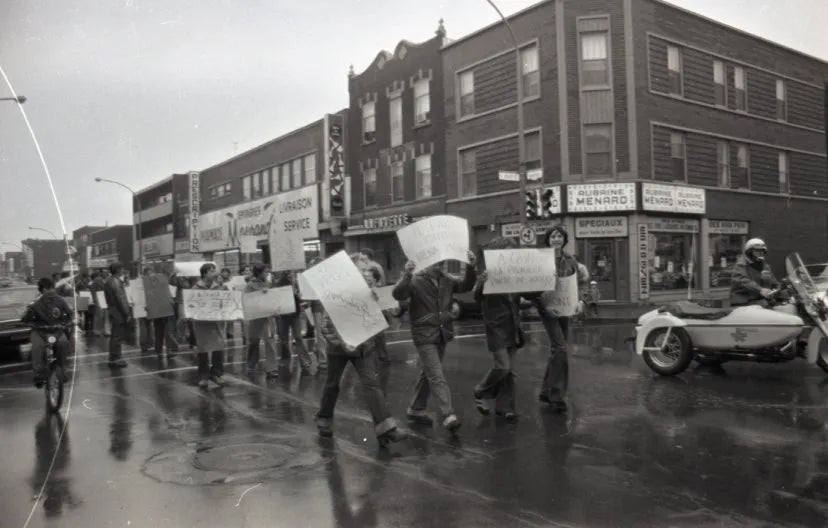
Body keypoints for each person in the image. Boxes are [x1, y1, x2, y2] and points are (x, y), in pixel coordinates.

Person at [315, 262, 407, 446]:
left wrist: (379, 301)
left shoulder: (371, 294)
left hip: (364, 348)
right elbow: (325, 327)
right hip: (338, 350)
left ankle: (386, 429)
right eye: (360, 272)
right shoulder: (335, 295)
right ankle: (323, 418)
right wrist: (342, 343)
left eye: (365, 273)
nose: (364, 275)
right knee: (333, 384)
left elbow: (394, 311)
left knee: (372, 385)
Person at [392, 250, 477, 433]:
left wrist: (470, 266)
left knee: (428, 372)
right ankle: (448, 414)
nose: (440, 266)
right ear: (427, 263)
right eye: (437, 263)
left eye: (442, 263)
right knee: (436, 374)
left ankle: (415, 408)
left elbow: (466, 286)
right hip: (424, 333)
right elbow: (398, 294)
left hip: (442, 331)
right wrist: (407, 273)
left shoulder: (446, 279)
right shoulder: (415, 279)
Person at [526, 226, 587, 413]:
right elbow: (531, 288)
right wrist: (544, 306)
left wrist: (581, 301)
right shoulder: (540, 259)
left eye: (560, 236)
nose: (556, 239)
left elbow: (580, 283)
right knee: (560, 348)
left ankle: (546, 391)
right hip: (548, 309)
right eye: (553, 236)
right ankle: (556, 395)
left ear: (564, 239)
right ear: (548, 239)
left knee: (557, 350)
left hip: (565, 308)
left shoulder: (571, 261)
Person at [471, 237, 522, 422]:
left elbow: (528, 293)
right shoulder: (488, 273)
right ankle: (481, 390)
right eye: (505, 251)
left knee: (511, 371)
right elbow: (476, 296)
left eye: (512, 252)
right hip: (496, 326)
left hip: (513, 325)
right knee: (503, 366)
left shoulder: (516, 273)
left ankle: (505, 407)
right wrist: (482, 282)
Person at [21, 278, 73, 387]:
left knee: (63, 344)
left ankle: (62, 369)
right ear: (42, 290)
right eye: (48, 289)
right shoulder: (35, 303)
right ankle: (38, 374)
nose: (51, 291)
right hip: (39, 331)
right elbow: (25, 319)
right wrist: (29, 313)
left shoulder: (61, 301)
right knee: (37, 347)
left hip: (57, 331)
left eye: (52, 288)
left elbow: (70, 315)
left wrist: (66, 323)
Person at [191, 263, 227, 388]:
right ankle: (203, 376)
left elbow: (225, 303)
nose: (215, 273)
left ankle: (216, 374)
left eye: (214, 270)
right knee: (203, 349)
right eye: (212, 271)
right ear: (205, 273)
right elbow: (192, 305)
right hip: (201, 323)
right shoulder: (195, 288)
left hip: (216, 322)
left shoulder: (219, 288)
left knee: (218, 348)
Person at [273, 270, 314, 375]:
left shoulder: (297, 283)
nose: (292, 275)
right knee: (284, 339)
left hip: (295, 314)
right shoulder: (279, 284)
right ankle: (285, 359)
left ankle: (304, 360)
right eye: (290, 273)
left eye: (293, 273)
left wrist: (298, 294)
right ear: (285, 273)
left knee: (298, 337)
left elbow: (302, 298)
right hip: (284, 315)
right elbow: (276, 298)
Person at [245, 263, 278, 375]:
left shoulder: (269, 283)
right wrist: (260, 294)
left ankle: (272, 368)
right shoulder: (250, 285)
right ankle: (251, 363)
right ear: (259, 273)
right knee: (254, 341)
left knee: (270, 341)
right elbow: (247, 301)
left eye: (268, 271)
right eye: (265, 271)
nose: (267, 273)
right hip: (255, 318)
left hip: (268, 317)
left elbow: (274, 298)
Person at [730, 238, 782, 307]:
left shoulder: (764, 266)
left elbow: (773, 280)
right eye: (756, 251)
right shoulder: (742, 264)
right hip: (742, 302)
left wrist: (779, 287)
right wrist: (760, 290)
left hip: (759, 300)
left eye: (762, 251)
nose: (760, 253)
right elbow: (741, 280)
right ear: (749, 252)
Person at [103, 262, 131, 368]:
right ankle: (116, 358)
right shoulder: (115, 282)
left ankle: (113, 357)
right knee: (117, 336)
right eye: (122, 269)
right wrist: (127, 313)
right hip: (118, 312)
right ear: (118, 270)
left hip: (113, 310)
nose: (123, 271)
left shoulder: (110, 281)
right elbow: (121, 299)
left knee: (115, 335)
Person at [137, 267, 154, 352]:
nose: (150, 275)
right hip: (146, 305)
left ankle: (146, 343)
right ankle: (148, 343)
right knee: (147, 325)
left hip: (141, 306)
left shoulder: (138, 282)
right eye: (149, 273)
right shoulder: (150, 282)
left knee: (145, 325)